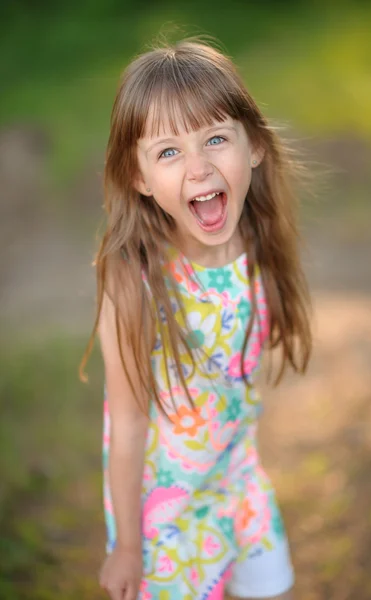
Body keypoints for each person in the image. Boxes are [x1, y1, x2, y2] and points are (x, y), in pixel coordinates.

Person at [81, 38, 312, 600]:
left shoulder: (258, 245)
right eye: (168, 152)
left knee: (271, 587)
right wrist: (129, 545)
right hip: (167, 509)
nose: (199, 166)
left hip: (236, 479)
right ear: (137, 177)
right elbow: (129, 425)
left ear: (253, 145)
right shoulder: (134, 285)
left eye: (214, 138)